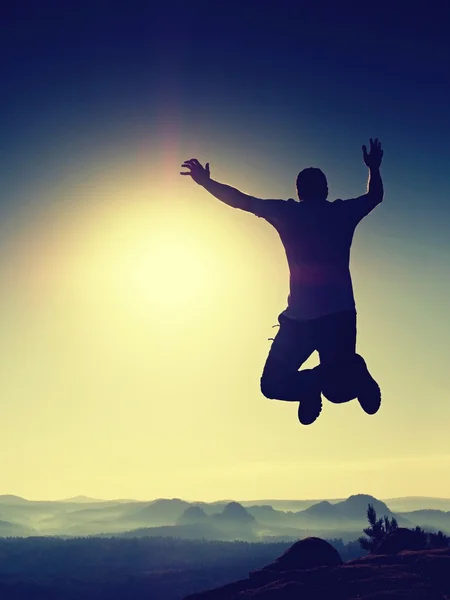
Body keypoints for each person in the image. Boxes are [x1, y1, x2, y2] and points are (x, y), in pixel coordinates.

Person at [180, 138, 383, 425]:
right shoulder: (340, 212)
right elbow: (375, 196)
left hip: (309, 320)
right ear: (325, 190)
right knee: (335, 392)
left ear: (298, 192)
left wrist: (206, 183)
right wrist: (374, 168)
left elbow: (241, 201)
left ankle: (342, 375)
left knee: (273, 385)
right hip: (330, 316)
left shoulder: (289, 212)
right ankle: (327, 380)